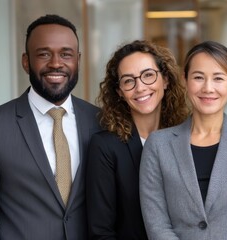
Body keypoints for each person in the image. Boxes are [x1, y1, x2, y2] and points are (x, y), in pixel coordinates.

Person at [0, 14, 101, 239]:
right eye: (44, 54)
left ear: (78, 60)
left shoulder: (100, 122)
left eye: (66, 54)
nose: (56, 63)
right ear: (26, 61)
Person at [139, 41, 227, 240]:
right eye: (198, 77)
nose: (208, 88)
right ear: (185, 80)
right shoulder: (158, 145)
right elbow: (157, 224)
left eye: (218, 78)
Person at [86, 40, 188, 239]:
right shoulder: (105, 147)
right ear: (120, 92)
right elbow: (101, 232)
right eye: (128, 81)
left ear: (165, 80)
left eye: (148, 75)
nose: (140, 87)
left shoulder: (187, 137)